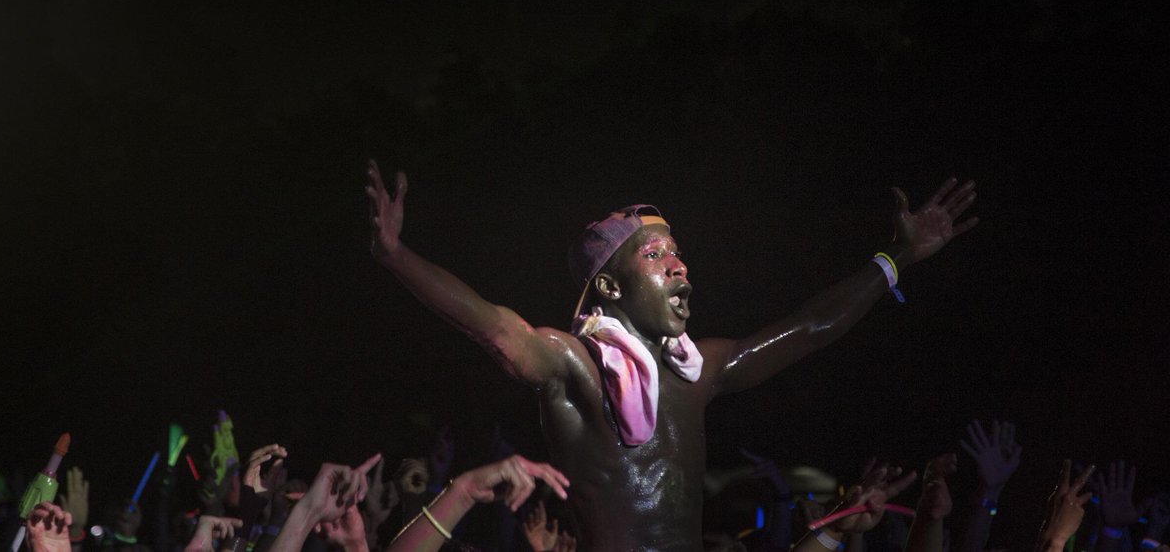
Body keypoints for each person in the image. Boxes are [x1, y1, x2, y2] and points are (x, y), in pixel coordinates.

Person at [365, 162, 978, 552]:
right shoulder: (574, 366)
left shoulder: (701, 370)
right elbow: (495, 328)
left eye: (677, 252)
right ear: (610, 286)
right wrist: (397, 256)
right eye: (656, 255)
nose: (680, 264)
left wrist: (893, 259)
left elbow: (809, 330)